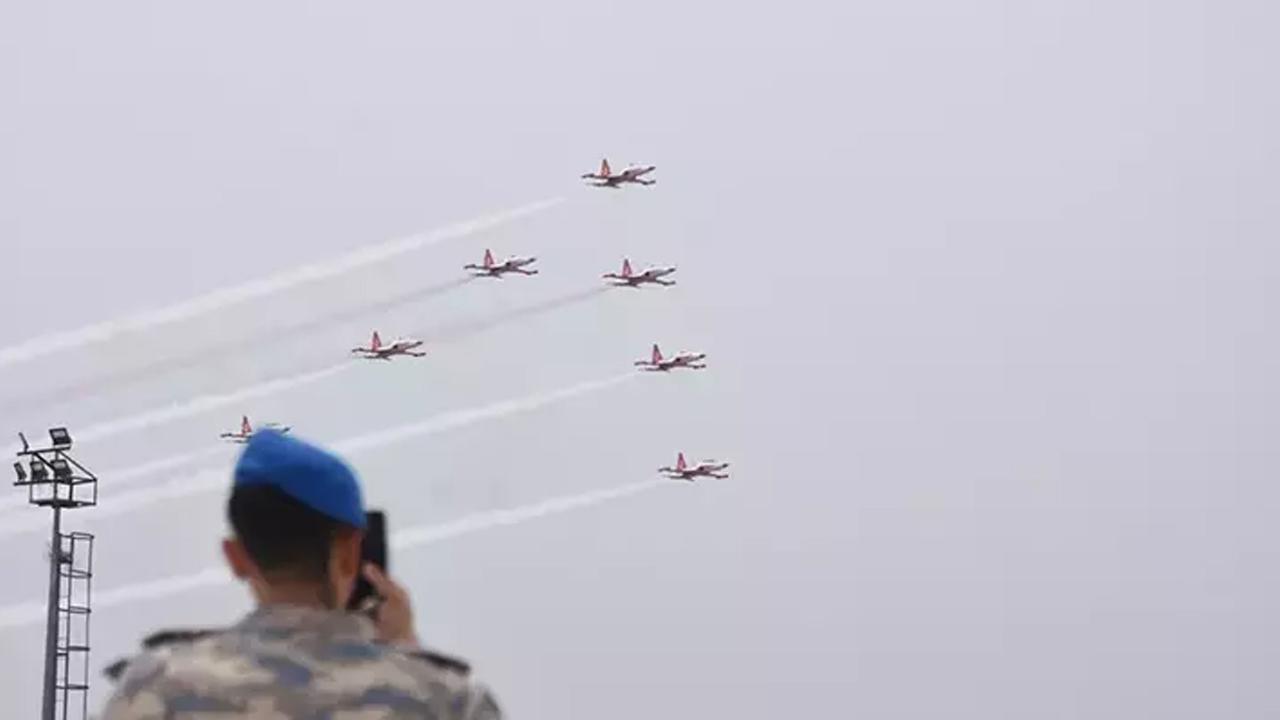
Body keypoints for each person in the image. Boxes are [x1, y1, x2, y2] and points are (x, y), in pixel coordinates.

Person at [102, 430, 501, 718]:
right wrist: (407, 649)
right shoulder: (446, 701)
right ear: (352, 554)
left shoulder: (158, 689)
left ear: (236, 557)